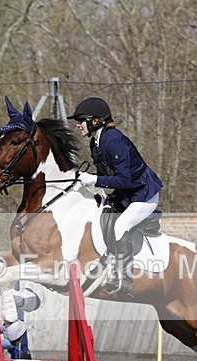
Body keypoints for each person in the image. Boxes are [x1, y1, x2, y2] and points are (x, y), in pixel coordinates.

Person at [68, 97, 163, 298]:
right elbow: (109, 176)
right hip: (126, 193)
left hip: (143, 194)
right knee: (103, 216)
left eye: (81, 120)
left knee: (120, 226)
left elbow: (125, 181)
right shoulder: (96, 143)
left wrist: (93, 179)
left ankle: (126, 279)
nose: (78, 124)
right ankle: (106, 262)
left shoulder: (114, 139)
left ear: (95, 120)